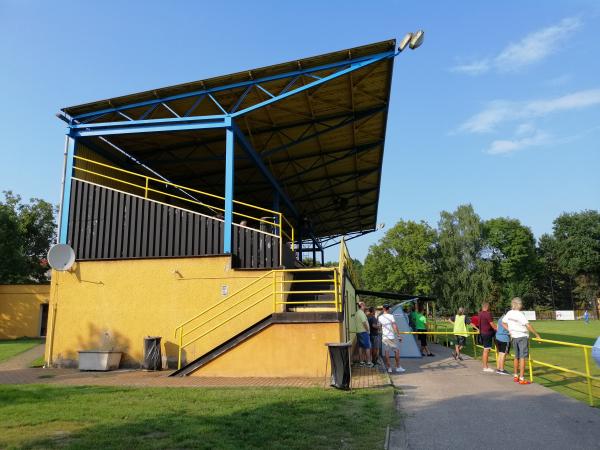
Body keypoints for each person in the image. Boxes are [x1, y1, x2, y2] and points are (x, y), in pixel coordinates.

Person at [502, 297, 541, 385]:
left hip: (514, 337)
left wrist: (510, 330)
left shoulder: (509, 313)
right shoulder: (520, 314)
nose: (522, 305)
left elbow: (503, 323)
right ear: (518, 304)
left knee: (516, 356)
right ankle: (521, 378)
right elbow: (528, 326)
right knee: (522, 357)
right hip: (522, 337)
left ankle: (516, 376)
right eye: (521, 304)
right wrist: (537, 335)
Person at [378, 304, 405, 373]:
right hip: (391, 337)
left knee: (387, 352)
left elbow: (379, 327)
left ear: (383, 309)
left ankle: (389, 368)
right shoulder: (391, 316)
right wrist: (399, 336)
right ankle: (398, 367)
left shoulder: (380, 317)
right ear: (388, 309)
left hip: (384, 337)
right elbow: (395, 327)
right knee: (396, 351)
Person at [475, 302, 497, 373]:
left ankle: (485, 366)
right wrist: (497, 329)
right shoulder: (488, 314)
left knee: (486, 349)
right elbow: (492, 324)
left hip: (483, 333)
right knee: (486, 350)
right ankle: (485, 367)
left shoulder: (480, 313)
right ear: (487, 307)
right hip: (487, 333)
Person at [355, 302, 373, 367]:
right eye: (364, 305)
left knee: (360, 347)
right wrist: (368, 330)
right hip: (364, 332)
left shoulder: (357, 313)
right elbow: (364, 322)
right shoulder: (361, 313)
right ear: (362, 305)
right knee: (367, 347)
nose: (365, 306)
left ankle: (361, 362)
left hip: (358, 332)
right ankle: (368, 362)